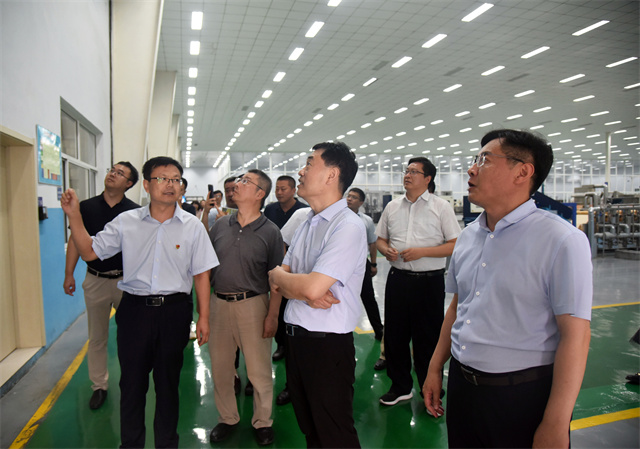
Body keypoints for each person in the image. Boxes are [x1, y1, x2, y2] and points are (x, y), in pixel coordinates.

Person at [423, 129, 592, 448]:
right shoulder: (468, 237)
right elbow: (458, 308)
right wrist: (435, 368)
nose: (471, 169)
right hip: (462, 387)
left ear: (523, 172)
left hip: (521, 397)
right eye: (475, 160)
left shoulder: (561, 241)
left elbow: (576, 336)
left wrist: (556, 423)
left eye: (484, 160)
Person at [60, 156, 219, 448]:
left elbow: (201, 274)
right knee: (132, 385)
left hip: (175, 313)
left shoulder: (193, 227)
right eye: (162, 178)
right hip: (134, 311)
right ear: (146, 185)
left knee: (168, 385)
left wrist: (204, 318)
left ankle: (166, 443)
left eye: (175, 179)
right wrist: (74, 217)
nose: (170, 185)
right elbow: (90, 252)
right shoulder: (126, 222)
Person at [269, 141, 366, 448]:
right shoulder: (307, 222)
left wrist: (294, 284)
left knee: (334, 434)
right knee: (310, 430)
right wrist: (297, 286)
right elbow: (277, 276)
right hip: (297, 341)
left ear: (331, 175)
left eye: (310, 164)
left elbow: (300, 283)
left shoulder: (347, 226)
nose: (301, 171)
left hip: (327, 348)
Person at [207, 169, 284, 446]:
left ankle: (262, 421)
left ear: (260, 193)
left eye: (244, 181)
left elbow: (276, 280)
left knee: (258, 370)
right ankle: (227, 417)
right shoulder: (220, 226)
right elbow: (205, 270)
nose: (236, 185)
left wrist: (272, 315)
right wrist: (203, 312)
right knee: (221, 368)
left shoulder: (271, 232)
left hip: (253, 304)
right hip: (218, 304)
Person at [376, 156, 460, 406]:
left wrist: (423, 252)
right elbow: (380, 239)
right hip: (398, 280)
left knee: (428, 337)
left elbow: (455, 244)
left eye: (414, 172)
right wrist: (385, 250)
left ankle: (429, 387)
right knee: (395, 335)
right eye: (407, 170)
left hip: (428, 283)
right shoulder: (392, 207)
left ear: (427, 179)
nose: (408, 175)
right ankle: (400, 386)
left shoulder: (440, 207)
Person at [63, 162, 140, 410]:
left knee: (130, 336)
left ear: (129, 183)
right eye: (112, 170)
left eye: (120, 173)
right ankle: (99, 386)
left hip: (126, 283)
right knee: (97, 337)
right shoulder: (85, 207)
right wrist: (69, 274)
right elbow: (76, 241)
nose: (112, 174)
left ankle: (131, 381)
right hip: (95, 279)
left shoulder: (135, 212)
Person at [345, 187, 384, 340]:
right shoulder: (338, 218)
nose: (349, 199)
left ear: (361, 202)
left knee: (368, 297)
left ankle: (379, 330)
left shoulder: (366, 221)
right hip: (341, 264)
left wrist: (373, 264)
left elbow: (372, 243)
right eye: (348, 196)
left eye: (354, 197)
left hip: (361, 263)